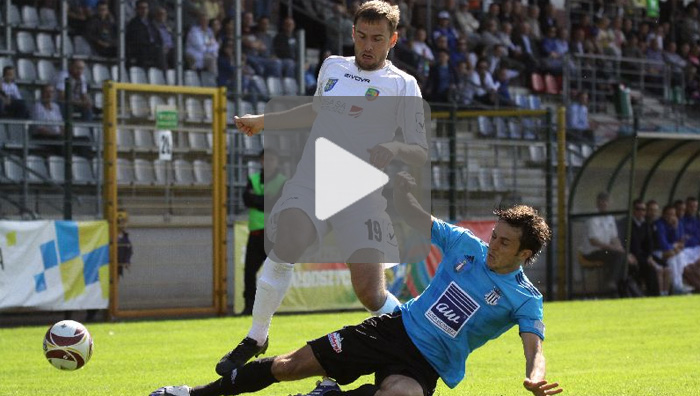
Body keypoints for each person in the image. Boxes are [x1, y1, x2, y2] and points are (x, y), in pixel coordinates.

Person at [150, 181, 562, 396]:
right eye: (494, 236)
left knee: (401, 395)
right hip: (392, 330)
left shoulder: (524, 300)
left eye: (505, 243)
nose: (493, 245)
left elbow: (534, 350)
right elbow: (420, 217)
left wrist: (534, 378)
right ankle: (195, 394)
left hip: (427, 366)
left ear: (525, 254)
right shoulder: (465, 246)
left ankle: (331, 393)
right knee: (288, 367)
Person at [214, 0, 428, 379]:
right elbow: (317, 110)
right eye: (362, 36)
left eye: (377, 39)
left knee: (370, 294)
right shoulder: (333, 65)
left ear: (392, 40)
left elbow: (418, 150)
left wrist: (394, 147)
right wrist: (265, 121)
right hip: (313, 178)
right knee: (287, 244)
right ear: (352, 33)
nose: (367, 45)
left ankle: (419, 340)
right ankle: (256, 335)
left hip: (361, 191)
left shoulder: (403, 85)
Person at [241, 150, 286, 315]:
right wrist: (266, 201)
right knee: (249, 272)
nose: (268, 162)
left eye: (272, 159)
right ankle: (249, 306)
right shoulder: (253, 179)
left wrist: (258, 200)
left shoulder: (282, 181)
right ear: (260, 161)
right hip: (256, 234)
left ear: (277, 162)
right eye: (265, 159)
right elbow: (246, 199)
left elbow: (277, 203)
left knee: (275, 272)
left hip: (273, 235)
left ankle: (271, 308)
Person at [578, 191, 629, 296]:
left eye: (606, 201)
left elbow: (614, 237)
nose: (604, 204)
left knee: (624, 257)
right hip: (591, 252)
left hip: (606, 251)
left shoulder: (610, 217)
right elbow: (594, 241)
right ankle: (611, 283)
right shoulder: (593, 218)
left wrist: (621, 249)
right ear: (597, 202)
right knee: (618, 256)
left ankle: (620, 288)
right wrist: (615, 249)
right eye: (602, 201)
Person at [126, 0, 166, 70]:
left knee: (173, 52)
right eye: (141, 8)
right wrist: (154, 46)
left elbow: (157, 36)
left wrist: (161, 45)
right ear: (137, 10)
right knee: (159, 52)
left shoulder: (151, 22)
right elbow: (138, 40)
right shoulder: (133, 24)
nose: (144, 10)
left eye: (146, 8)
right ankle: (163, 74)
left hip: (153, 48)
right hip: (141, 49)